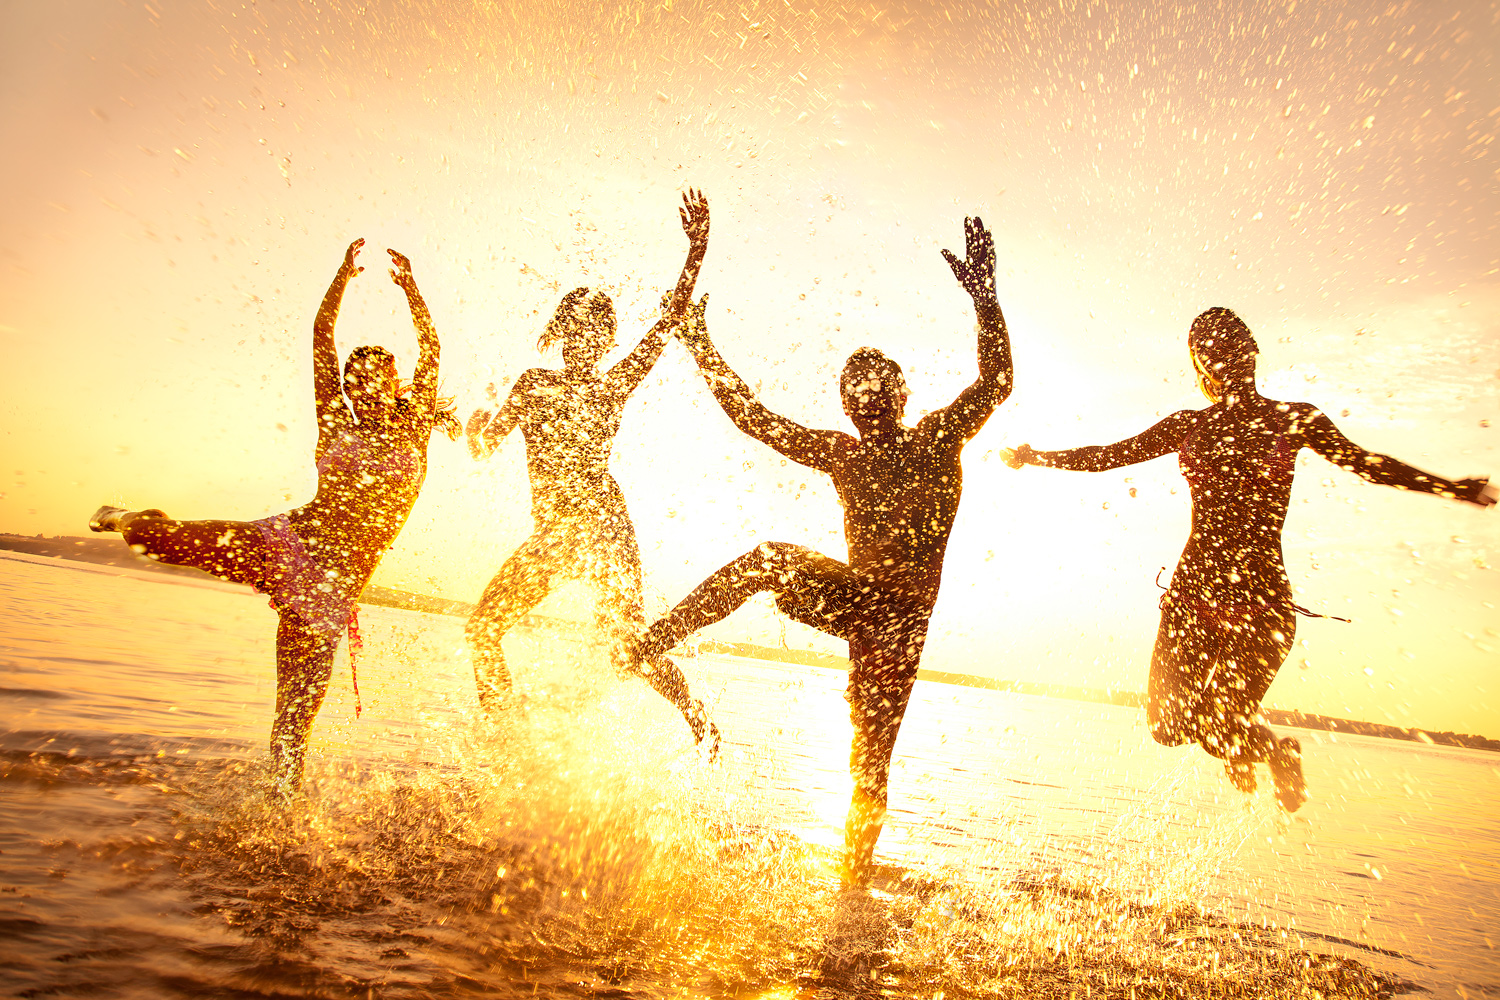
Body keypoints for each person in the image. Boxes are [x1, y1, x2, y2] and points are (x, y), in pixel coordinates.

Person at [629, 216, 1013, 881]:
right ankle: (651, 640)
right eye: (852, 390)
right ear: (845, 404)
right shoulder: (844, 454)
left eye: (876, 385)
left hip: (901, 623)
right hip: (852, 598)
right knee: (766, 558)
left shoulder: (936, 439)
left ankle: (853, 886)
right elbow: (755, 419)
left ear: (900, 394)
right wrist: (701, 345)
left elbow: (996, 381)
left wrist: (985, 298)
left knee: (870, 760)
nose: (864, 396)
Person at [1004, 307, 1495, 810]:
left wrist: (1449, 487)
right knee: (1172, 727)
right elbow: (1107, 455)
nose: (1226, 358)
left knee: (1214, 727)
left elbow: (1365, 464)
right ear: (1206, 365)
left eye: (1230, 347)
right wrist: (1038, 456)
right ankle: (1255, 748)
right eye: (1215, 351)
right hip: (1205, 598)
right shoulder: (1217, 424)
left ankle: (1268, 749)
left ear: (1246, 356)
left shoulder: (1278, 419)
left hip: (1248, 604)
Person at [90, 240, 459, 795]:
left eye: (374, 377)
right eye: (355, 382)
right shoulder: (337, 424)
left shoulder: (414, 433)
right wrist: (340, 280)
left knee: (290, 730)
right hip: (281, 544)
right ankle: (122, 517)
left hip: (326, 598)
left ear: (395, 381)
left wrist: (412, 292)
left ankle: (279, 824)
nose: (361, 387)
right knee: (159, 539)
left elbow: (432, 345)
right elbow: (320, 341)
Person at [465, 190, 718, 748]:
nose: (585, 342)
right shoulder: (532, 385)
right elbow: (484, 448)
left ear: (606, 342)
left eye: (596, 334)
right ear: (560, 333)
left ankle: (696, 715)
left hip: (604, 531)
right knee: (484, 628)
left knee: (625, 649)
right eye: (575, 331)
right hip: (555, 535)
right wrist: (471, 427)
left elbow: (670, 323)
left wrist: (696, 251)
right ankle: (509, 745)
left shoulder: (611, 386)